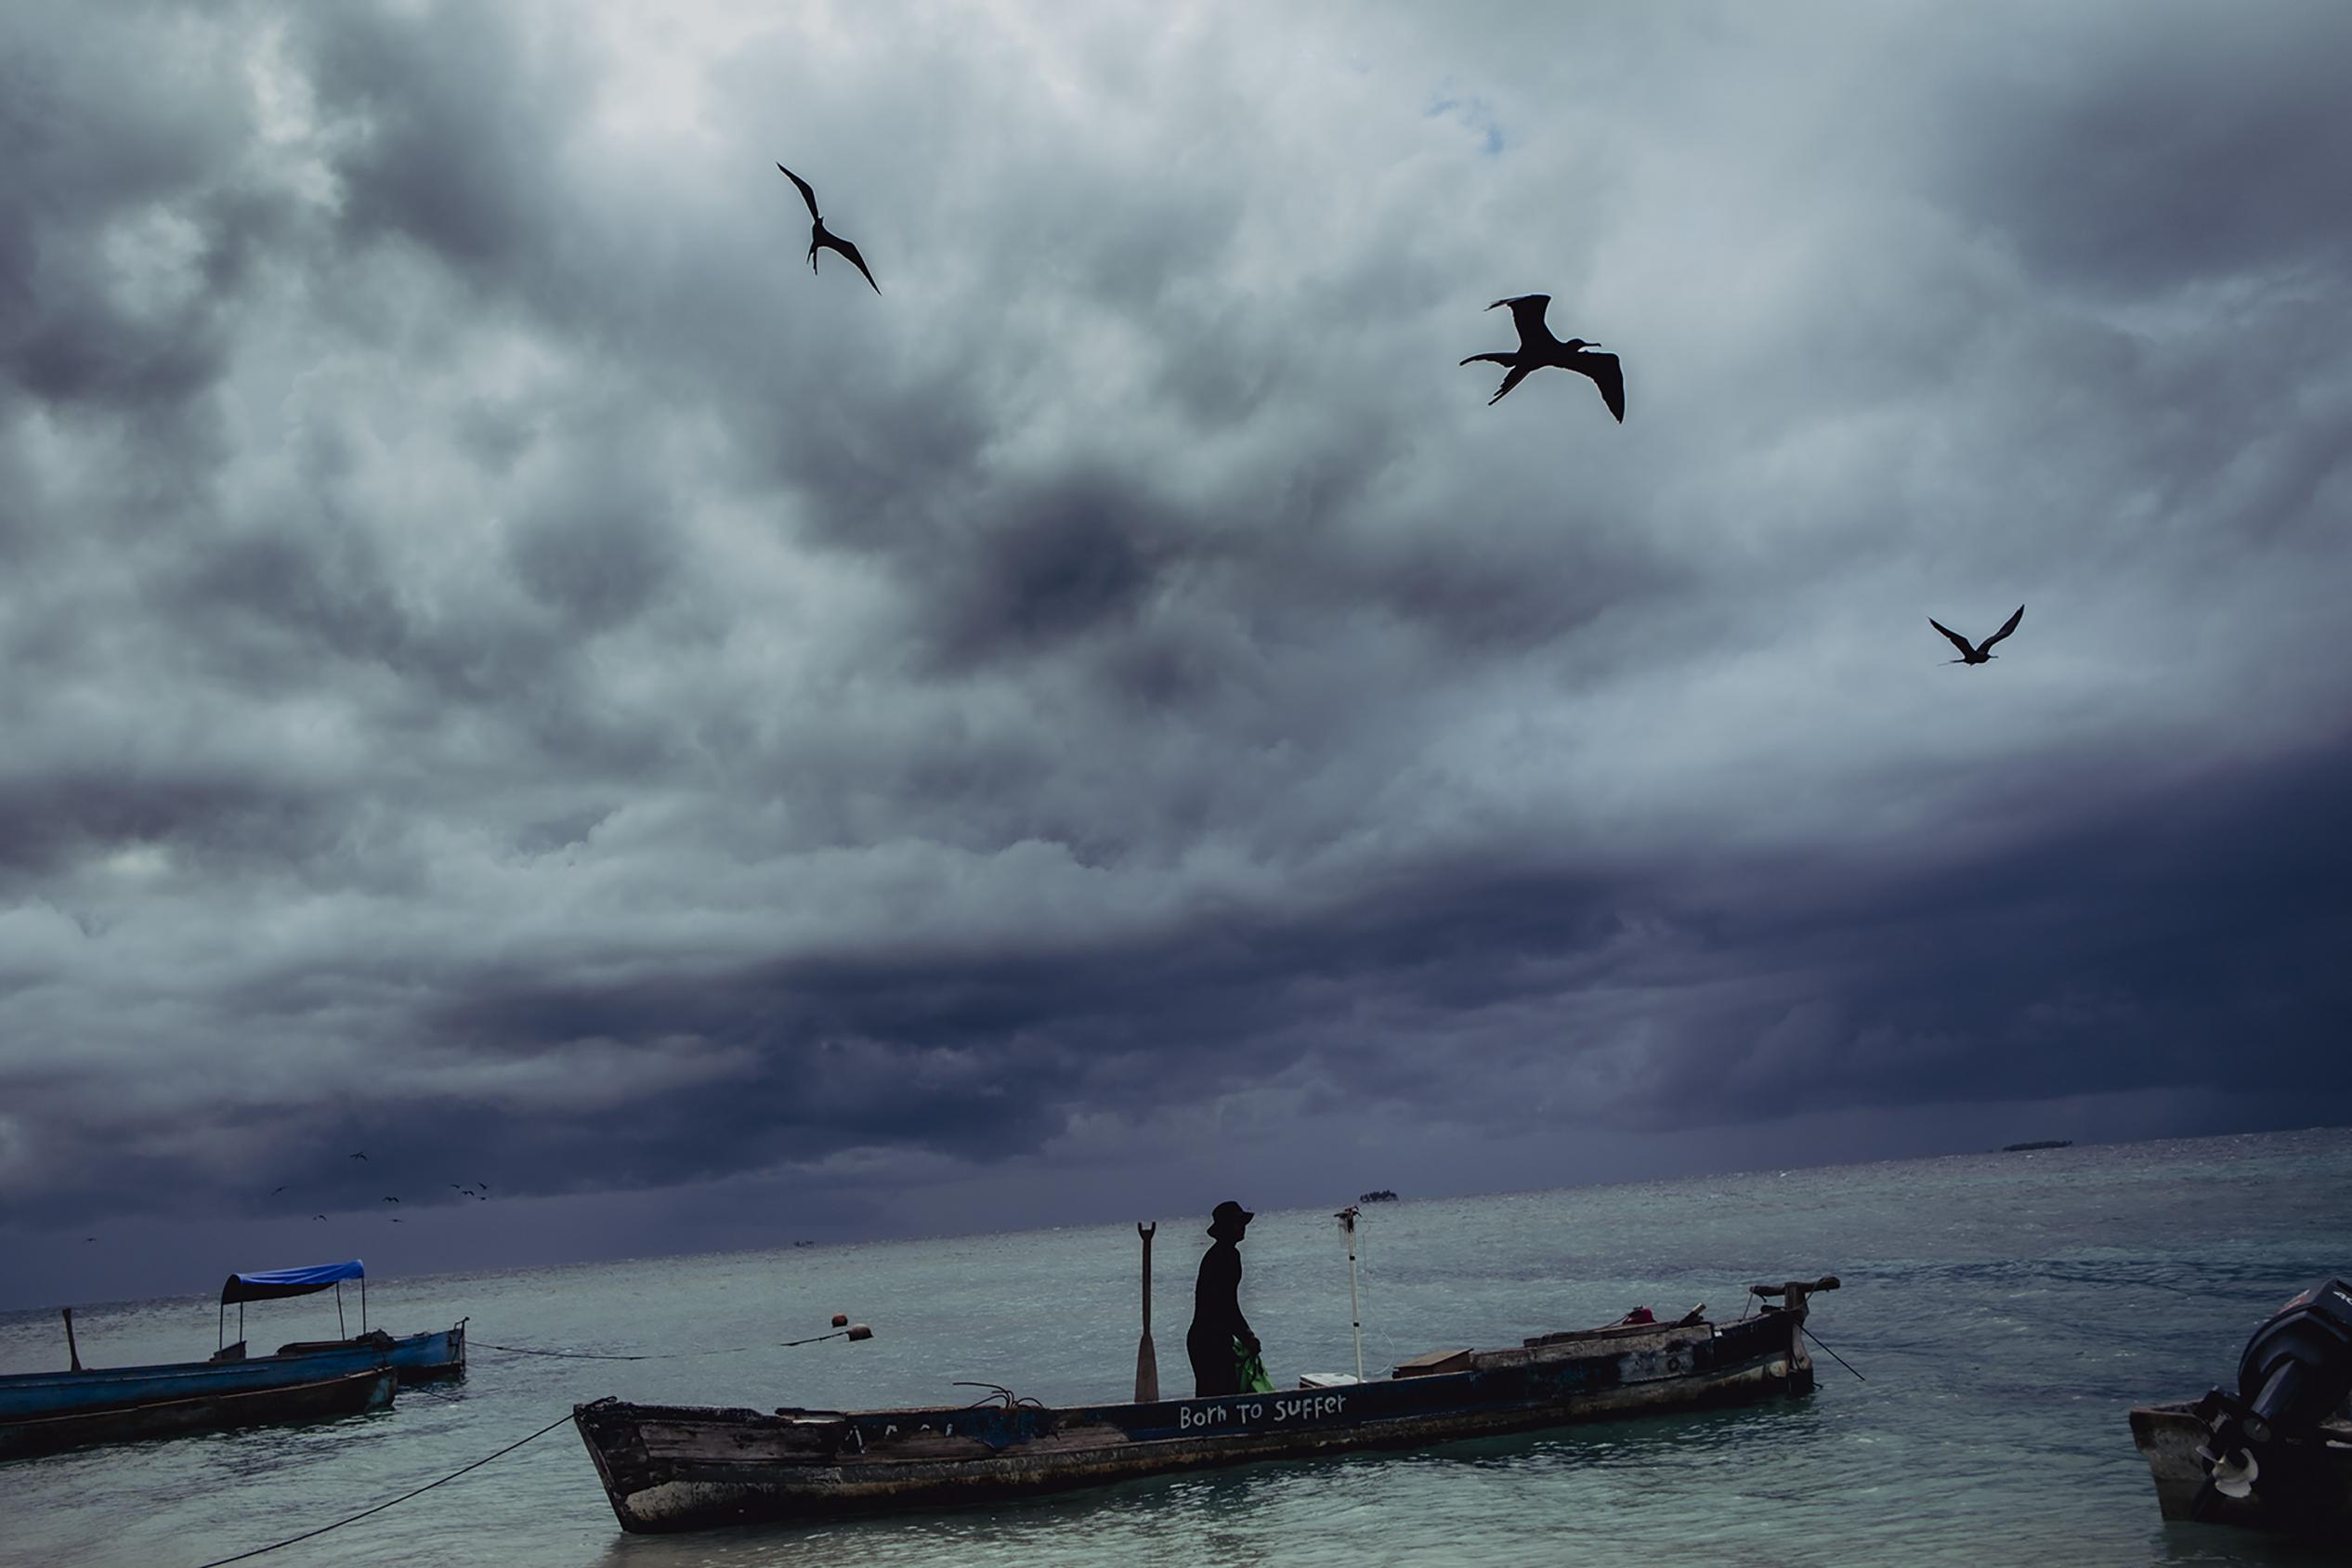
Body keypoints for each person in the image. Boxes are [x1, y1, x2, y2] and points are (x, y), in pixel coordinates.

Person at [1187, 1200, 1260, 1397]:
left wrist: (1244, 1333)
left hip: (1207, 1337)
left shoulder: (1217, 1255)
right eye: (1237, 1223)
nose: (1242, 1228)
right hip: (1210, 1340)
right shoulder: (1226, 1256)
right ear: (1226, 1228)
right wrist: (1247, 1335)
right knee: (1221, 1397)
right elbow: (1226, 1304)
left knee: (1211, 1397)